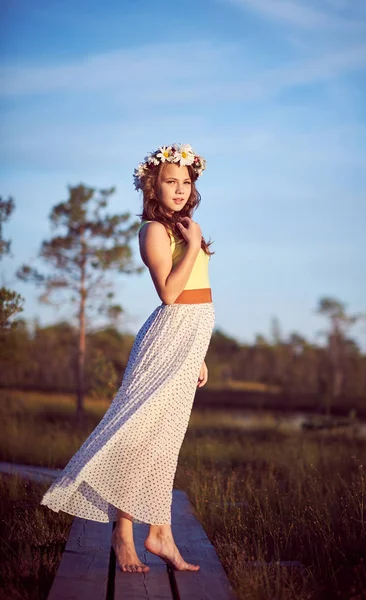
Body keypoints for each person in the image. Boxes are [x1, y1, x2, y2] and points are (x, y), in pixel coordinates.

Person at [40, 142, 215, 573]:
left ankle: (159, 533)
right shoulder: (155, 230)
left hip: (187, 343)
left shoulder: (186, 225)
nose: (179, 189)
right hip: (166, 339)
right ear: (152, 185)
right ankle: (123, 534)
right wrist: (192, 245)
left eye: (185, 181)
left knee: (164, 443)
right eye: (170, 181)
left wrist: (197, 354)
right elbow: (170, 294)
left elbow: (196, 298)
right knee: (138, 438)